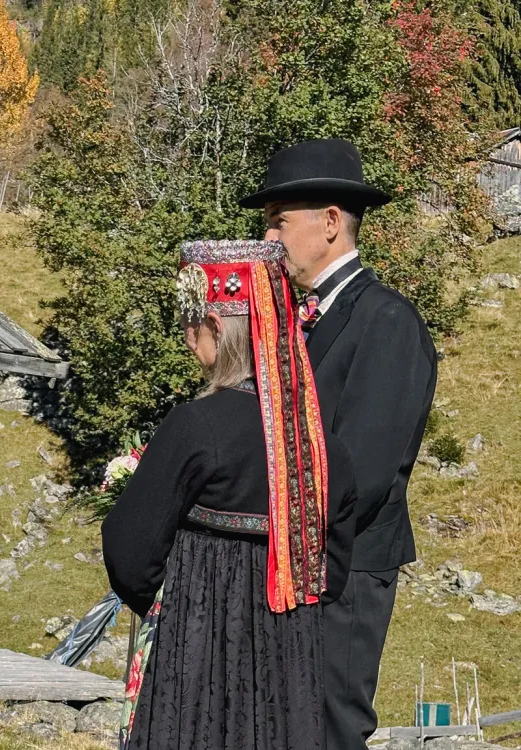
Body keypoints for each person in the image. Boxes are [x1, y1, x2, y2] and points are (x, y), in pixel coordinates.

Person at [103, 239, 358, 750]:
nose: (186, 340)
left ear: (216, 327)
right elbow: (330, 566)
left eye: (190, 326)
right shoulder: (318, 443)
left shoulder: (196, 426)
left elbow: (129, 551)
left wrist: (180, 605)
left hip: (196, 653)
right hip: (289, 659)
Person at [239, 138, 438, 750]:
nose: (268, 238)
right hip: (291, 564)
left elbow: (365, 470)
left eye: (278, 222)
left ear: (329, 222)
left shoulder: (387, 322)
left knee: (328, 728)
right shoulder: (296, 320)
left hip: (343, 571)